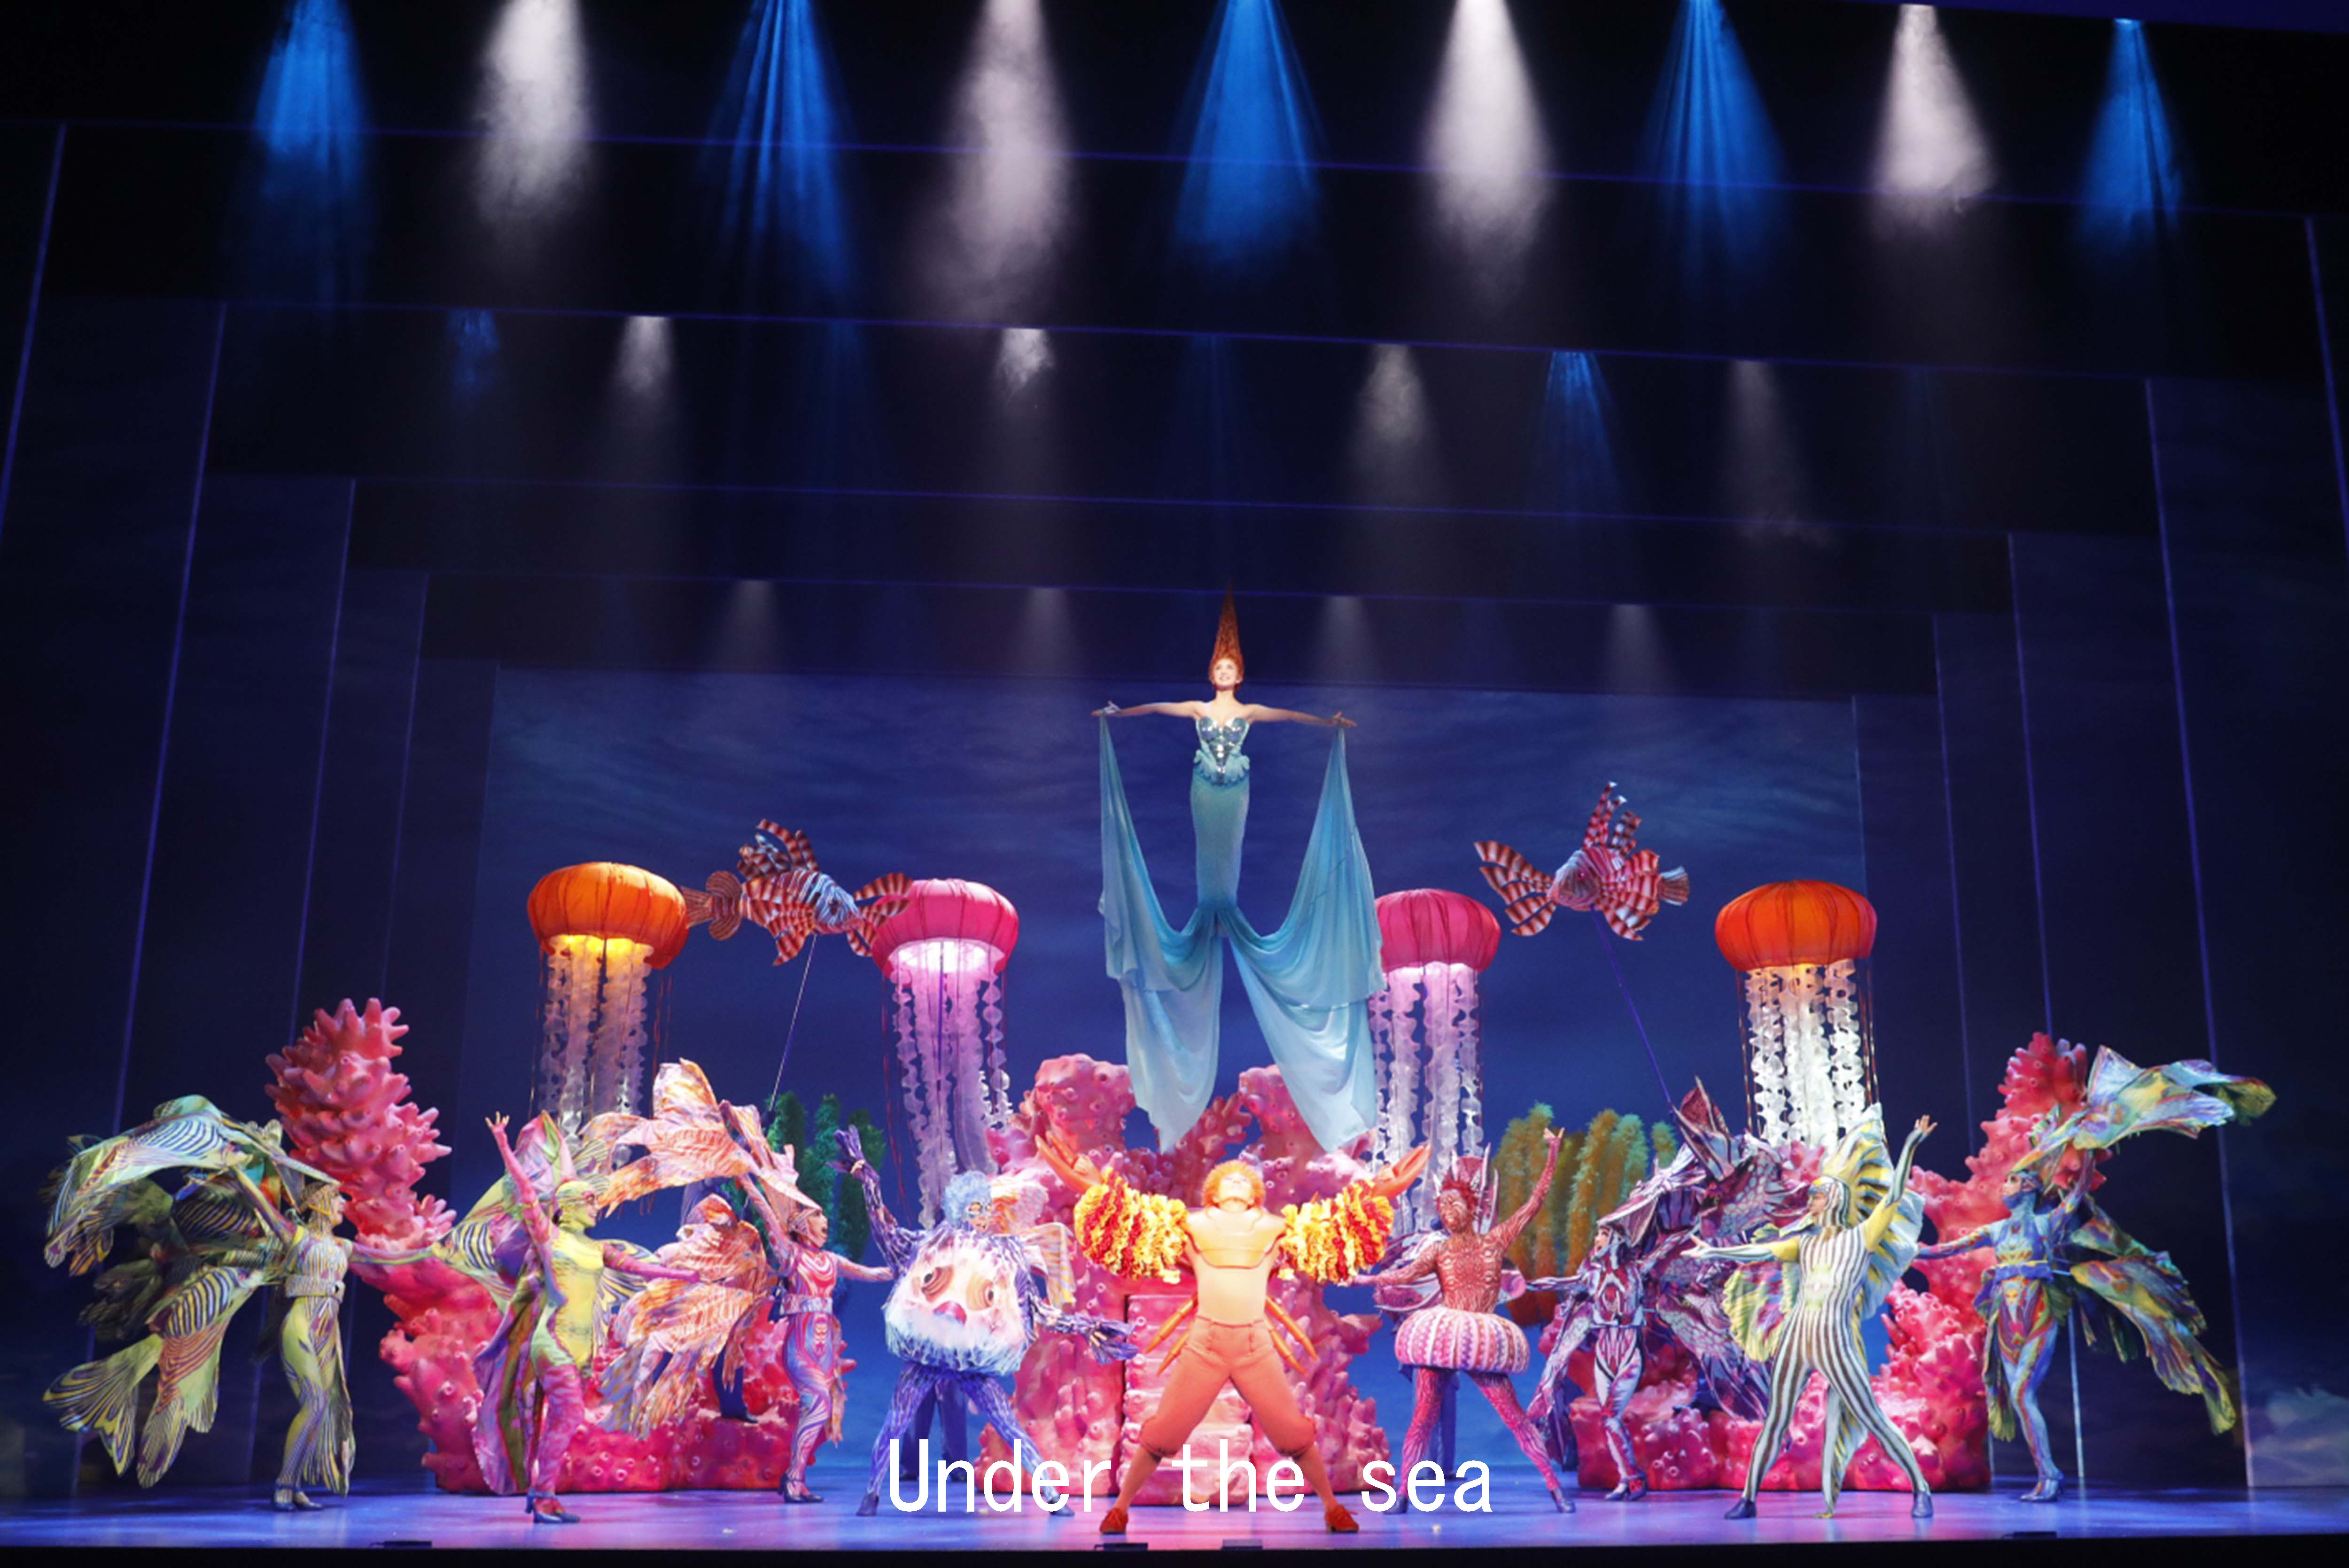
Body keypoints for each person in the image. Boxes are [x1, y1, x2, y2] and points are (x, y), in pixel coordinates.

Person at [1095, 589, 1382, 1152]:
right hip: (1205, 789)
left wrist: (1327, 723)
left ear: (1238, 674)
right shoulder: (1199, 709)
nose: (1225, 674)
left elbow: (1287, 716)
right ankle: (1212, 909)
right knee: (1209, 864)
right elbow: (1158, 707)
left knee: (1228, 860)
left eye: (1231, 668)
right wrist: (1116, 714)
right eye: (1219, 668)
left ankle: (1222, 907)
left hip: (1235, 792)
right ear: (1212, 673)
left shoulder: (1246, 712)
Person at [1036, 1132, 1427, 1536]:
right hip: (1206, 1344)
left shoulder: (1276, 1228)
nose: (1236, 1180)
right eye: (1227, 1178)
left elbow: (1332, 1228)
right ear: (1213, 1193)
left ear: (1256, 1194)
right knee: (1163, 1432)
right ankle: (1120, 1509)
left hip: (1254, 1345)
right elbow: (1133, 1219)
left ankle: (1332, 1508)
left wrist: (1380, 1191)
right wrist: (1092, 1185)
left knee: (1292, 1432)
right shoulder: (1189, 1225)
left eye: (1244, 1178)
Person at [1690, 1109, 1936, 1521]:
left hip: (1834, 1341)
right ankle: (1748, 1499)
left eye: (1819, 1196)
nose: (1812, 1202)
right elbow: (1763, 1250)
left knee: (1872, 1416)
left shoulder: (1861, 1239)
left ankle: (1921, 1488)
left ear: (1835, 1198)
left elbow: (1893, 1197)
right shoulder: (1804, 1244)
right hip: (1798, 1337)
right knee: (1776, 1420)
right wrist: (1715, 1251)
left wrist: (1910, 1144)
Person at [1358, 1133, 1572, 1511]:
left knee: (1515, 1418)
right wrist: (1366, 1280)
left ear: (1471, 1208)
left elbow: (1534, 1204)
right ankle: (1404, 1494)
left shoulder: (1495, 1243)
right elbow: (1406, 1274)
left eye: (1454, 1204)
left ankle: (1555, 1488)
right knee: (1422, 1420)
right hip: (1442, 1339)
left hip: (1480, 1338)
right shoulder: (1439, 1251)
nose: (1447, 1211)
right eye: (1442, 1205)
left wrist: (1553, 1153)